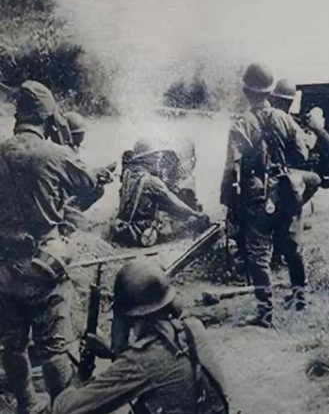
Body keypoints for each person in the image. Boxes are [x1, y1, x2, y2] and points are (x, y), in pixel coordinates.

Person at [0, 81, 106, 414]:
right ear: (47, 116)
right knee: (54, 348)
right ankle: (62, 408)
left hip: (4, 266)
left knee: (13, 345)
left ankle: (28, 405)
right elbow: (88, 184)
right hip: (44, 264)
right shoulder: (55, 153)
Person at [52, 261, 229, 414]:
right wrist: (115, 352)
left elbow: (66, 409)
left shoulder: (141, 360)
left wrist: (74, 379)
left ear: (132, 317)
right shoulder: (192, 327)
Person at [220, 63, 311, 327]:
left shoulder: (241, 125)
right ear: (270, 92)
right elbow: (302, 155)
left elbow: (231, 167)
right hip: (284, 190)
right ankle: (300, 297)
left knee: (258, 252)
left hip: (256, 195)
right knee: (291, 246)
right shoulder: (286, 119)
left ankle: (265, 311)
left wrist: (228, 200)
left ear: (246, 91)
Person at [111, 139, 209, 247]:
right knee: (188, 222)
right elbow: (173, 204)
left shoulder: (129, 176)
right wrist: (195, 214)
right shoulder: (151, 181)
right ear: (149, 160)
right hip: (140, 234)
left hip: (120, 230)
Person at [268, 78, 321, 277]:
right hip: (282, 176)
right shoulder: (289, 122)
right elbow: (301, 156)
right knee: (315, 180)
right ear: (290, 101)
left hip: (262, 176)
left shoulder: (260, 116)